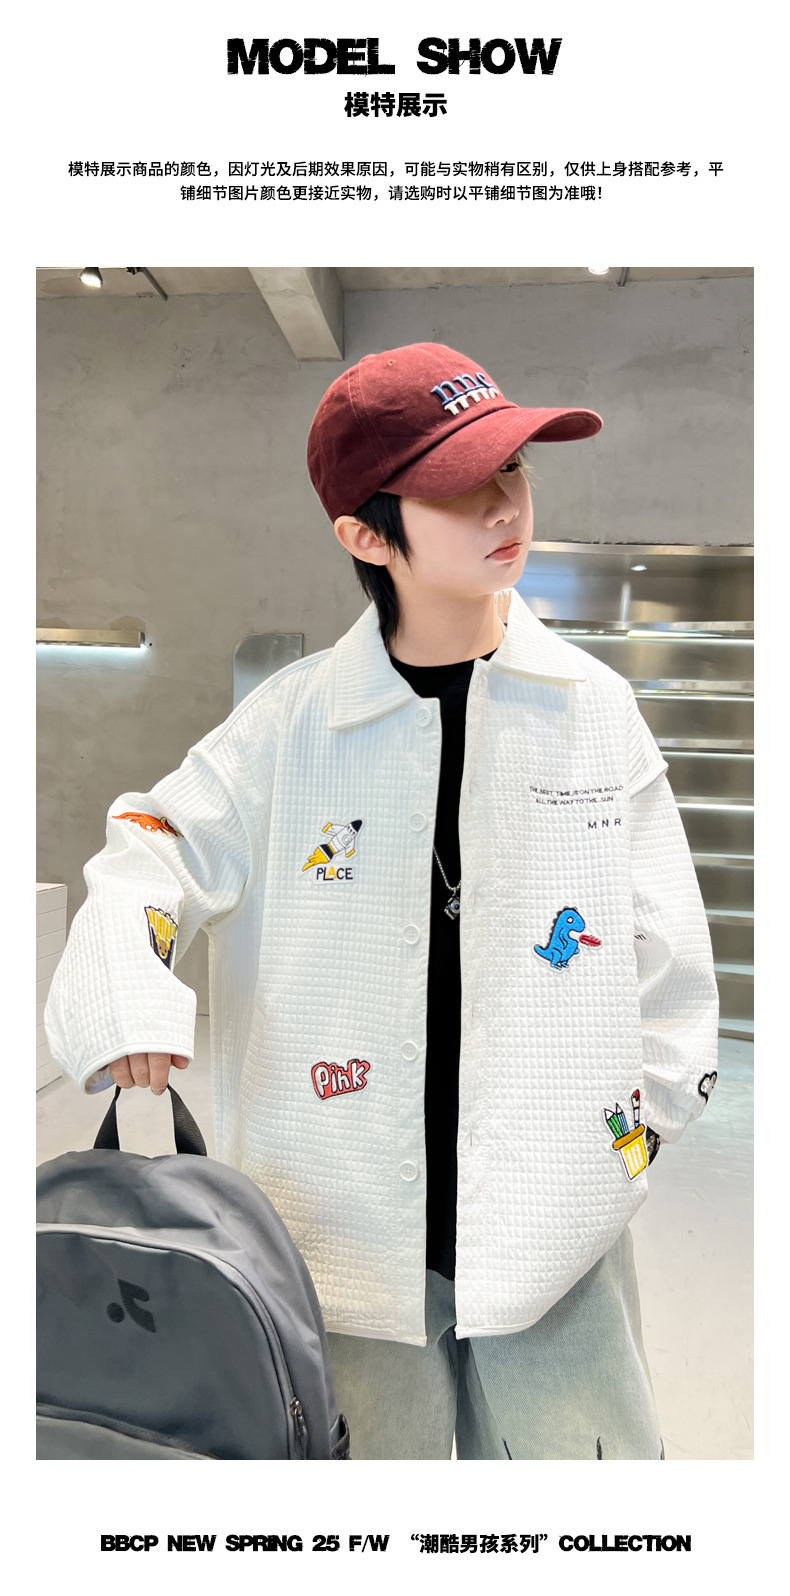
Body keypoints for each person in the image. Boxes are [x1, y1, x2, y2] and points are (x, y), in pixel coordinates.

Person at [45, 341, 719, 1459]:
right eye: (458, 485)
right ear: (366, 535)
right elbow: (151, 846)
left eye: (513, 466)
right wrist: (126, 989)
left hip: (557, 1230)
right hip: (343, 1238)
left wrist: (624, 1147)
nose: (504, 503)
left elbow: (673, 960)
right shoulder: (289, 726)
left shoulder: (593, 711)